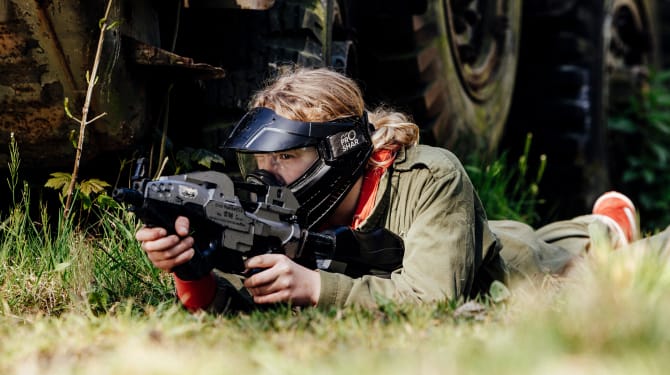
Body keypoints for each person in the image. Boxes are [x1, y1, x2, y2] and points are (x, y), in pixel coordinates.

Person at [135, 67, 670, 313]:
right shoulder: (277, 210)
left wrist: (317, 288)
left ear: (339, 150)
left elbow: (434, 301)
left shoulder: (432, 175)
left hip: (504, 264)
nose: (270, 173)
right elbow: (232, 302)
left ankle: (604, 230)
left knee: (577, 264)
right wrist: (191, 268)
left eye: (287, 157)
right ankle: (598, 225)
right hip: (459, 239)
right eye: (263, 160)